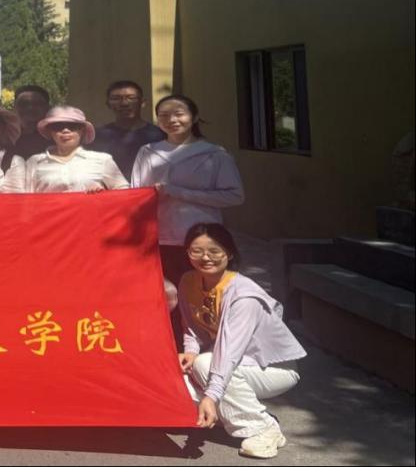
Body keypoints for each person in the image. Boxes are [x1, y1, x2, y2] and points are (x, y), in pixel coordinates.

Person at [178, 223, 305, 459]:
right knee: (174, 386)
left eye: (214, 251)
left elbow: (228, 354)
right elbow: (191, 328)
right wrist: (190, 351)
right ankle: (232, 413)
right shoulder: (188, 281)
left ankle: (263, 428)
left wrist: (211, 395)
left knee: (204, 365)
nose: (205, 257)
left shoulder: (244, 296)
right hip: (224, 361)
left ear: (229, 253)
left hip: (271, 369)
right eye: (196, 251)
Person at [130, 94, 245, 288]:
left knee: (199, 292)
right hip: (158, 238)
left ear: (195, 117)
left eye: (179, 114)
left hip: (201, 239)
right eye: (164, 115)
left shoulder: (215, 154)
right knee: (164, 295)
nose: (172, 120)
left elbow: (235, 196)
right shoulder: (147, 152)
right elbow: (136, 194)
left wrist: (179, 192)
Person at [25, 106, 129, 193]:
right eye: (57, 126)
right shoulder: (34, 162)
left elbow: (124, 192)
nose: (65, 130)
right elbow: (25, 199)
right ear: (50, 131)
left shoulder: (103, 160)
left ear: (82, 130)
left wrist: (103, 193)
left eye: (73, 126)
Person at [86, 80, 166, 179]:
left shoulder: (160, 135)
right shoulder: (97, 136)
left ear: (143, 103)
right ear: (108, 104)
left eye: (131, 98)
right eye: (116, 99)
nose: (124, 103)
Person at [12, 85, 53, 160]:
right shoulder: (3, 138)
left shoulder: (57, 138)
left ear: (48, 108)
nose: (30, 108)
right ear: (14, 108)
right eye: (24, 104)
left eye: (37, 104)